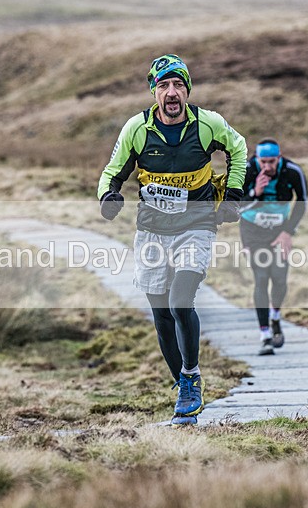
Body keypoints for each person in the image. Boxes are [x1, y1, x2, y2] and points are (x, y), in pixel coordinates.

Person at [97, 54, 247, 425]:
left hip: (196, 224)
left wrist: (233, 194)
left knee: (182, 301)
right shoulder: (137, 128)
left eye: (178, 84)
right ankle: (183, 385)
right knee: (161, 312)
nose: (171, 92)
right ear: (154, 92)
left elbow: (239, 148)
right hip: (151, 229)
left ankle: (192, 376)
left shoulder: (208, 124)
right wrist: (108, 197)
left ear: (187, 90)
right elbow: (113, 172)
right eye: (163, 85)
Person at [239, 139, 308, 356]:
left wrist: (288, 231)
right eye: (263, 161)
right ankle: (265, 336)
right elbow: (237, 206)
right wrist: (255, 193)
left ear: (279, 158)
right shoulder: (247, 170)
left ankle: (276, 317)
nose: (267, 166)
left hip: (279, 232)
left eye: (272, 161)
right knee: (261, 278)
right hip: (253, 231)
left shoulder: (292, 171)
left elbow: (302, 201)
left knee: (279, 278)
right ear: (257, 159)